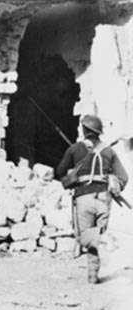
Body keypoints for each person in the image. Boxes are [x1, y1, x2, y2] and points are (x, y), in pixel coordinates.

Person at [55, 114, 127, 284]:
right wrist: (116, 188)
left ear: (84, 130)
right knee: (96, 236)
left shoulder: (74, 148)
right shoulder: (109, 151)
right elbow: (123, 176)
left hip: (84, 198)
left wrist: (74, 174)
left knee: (83, 237)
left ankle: (104, 241)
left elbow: (60, 172)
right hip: (104, 199)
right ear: (98, 132)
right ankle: (93, 277)